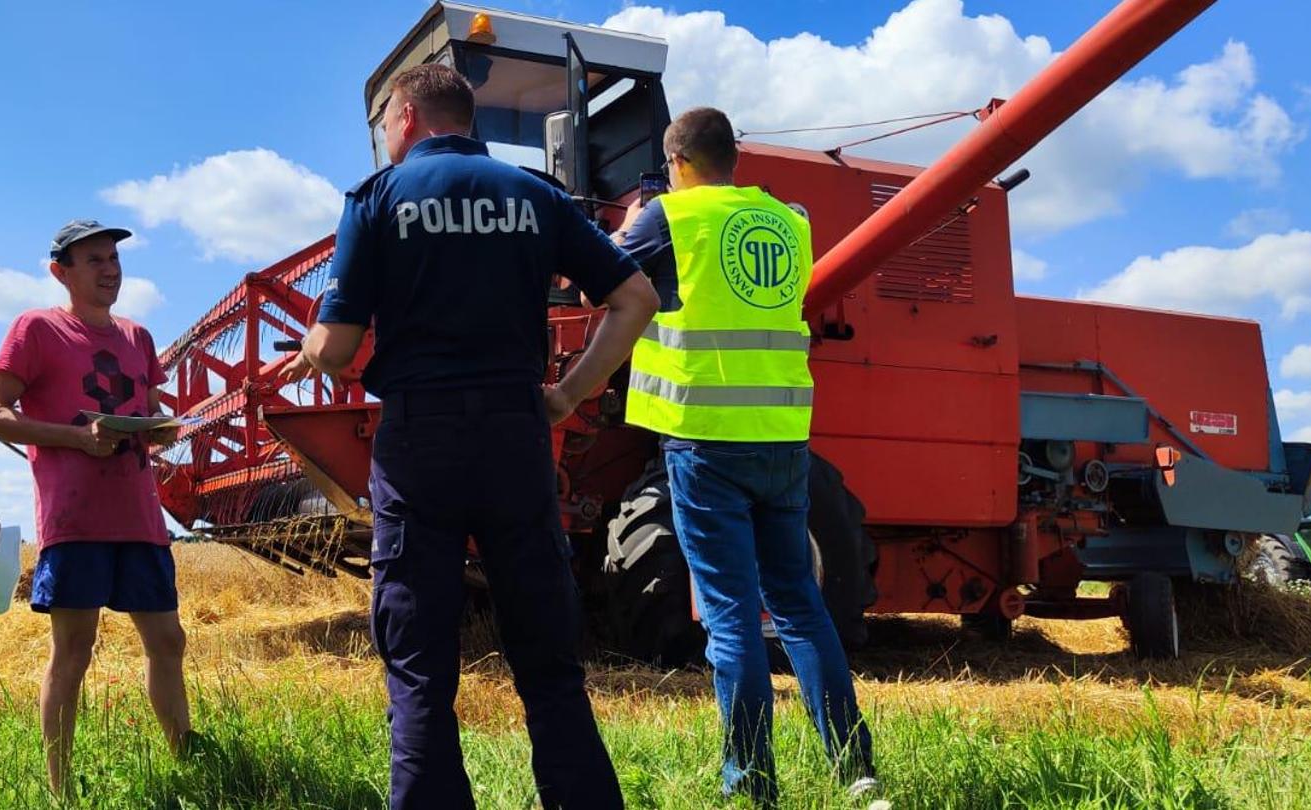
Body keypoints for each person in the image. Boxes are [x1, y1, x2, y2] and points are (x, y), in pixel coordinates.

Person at [281, 63, 659, 810]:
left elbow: (337, 345)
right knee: (548, 658)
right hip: (515, 438)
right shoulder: (536, 196)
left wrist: (311, 346)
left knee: (419, 666)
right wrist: (567, 395)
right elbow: (636, 297)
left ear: (407, 117)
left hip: (420, 443)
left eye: (385, 123)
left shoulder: (377, 199)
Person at [612, 106, 879, 807]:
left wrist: (632, 222)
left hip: (706, 441)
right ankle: (857, 771)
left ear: (676, 163)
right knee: (801, 608)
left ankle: (752, 785)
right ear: (734, 159)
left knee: (731, 616)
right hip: (782, 439)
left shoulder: (669, 217)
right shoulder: (789, 223)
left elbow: (602, 283)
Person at [0, 220, 192, 800]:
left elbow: (151, 410)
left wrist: (161, 427)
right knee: (74, 650)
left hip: (140, 516)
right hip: (74, 521)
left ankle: (187, 765)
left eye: (114, 259)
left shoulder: (138, 337)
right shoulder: (37, 329)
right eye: (94, 260)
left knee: (169, 641)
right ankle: (61, 790)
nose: (110, 270)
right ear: (60, 272)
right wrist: (76, 439)